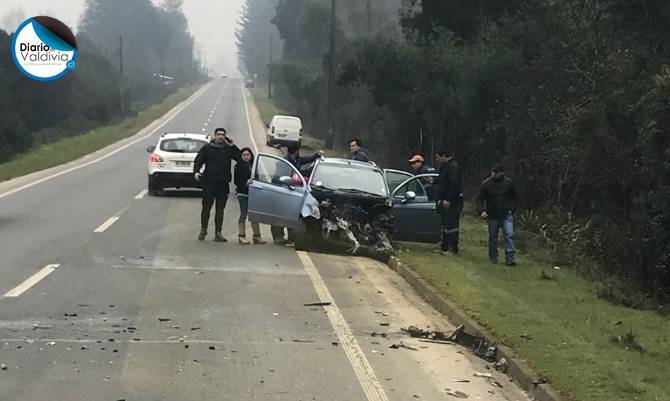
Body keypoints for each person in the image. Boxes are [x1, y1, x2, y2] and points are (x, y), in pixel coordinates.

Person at [272, 143, 324, 247]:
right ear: (296, 151)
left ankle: (291, 239)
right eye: (297, 151)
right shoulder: (283, 162)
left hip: (294, 190)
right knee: (281, 215)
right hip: (283, 190)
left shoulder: (297, 159)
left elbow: (307, 160)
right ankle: (278, 237)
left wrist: (316, 155)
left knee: (292, 215)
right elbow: (277, 178)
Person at [193, 128, 240, 242]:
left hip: (223, 184)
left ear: (225, 136)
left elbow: (240, 157)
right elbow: (198, 160)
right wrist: (196, 171)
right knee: (206, 208)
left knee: (220, 210)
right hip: (209, 183)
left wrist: (233, 145)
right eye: (218, 134)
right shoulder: (207, 148)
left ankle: (218, 233)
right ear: (214, 136)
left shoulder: (229, 149)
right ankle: (203, 229)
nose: (221, 136)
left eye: (223, 134)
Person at [477, 163, 518, 266]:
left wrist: (512, 209)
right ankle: (493, 257)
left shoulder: (509, 183)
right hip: (492, 215)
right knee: (493, 237)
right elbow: (480, 198)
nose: (494, 175)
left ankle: (510, 258)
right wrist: (482, 211)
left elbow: (515, 197)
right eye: (493, 172)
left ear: (502, 173)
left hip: (506, 214)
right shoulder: (486, 184)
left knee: (509, 235)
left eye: (496, 173)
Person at [234, 147, 266, 245]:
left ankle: (257, 236)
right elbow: (236, 181)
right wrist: (246, 183)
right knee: (244, 213)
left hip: (253, 193)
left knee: (254, 215)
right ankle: (241, 235)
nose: (246, 157)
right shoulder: (238, 166)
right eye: (244, 155)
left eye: (248, 155)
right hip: (242, 193)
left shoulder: (254, 166)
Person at [436, 149, 464, 255]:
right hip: (444, 200)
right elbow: (443, 181)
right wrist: (434, 181)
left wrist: (448, 199)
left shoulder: (453, 167)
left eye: (438, 157)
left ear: (444, 156)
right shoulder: (444, 166)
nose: (437, 159)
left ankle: (453, 248)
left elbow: (454, 185)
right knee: (446, 224)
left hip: (454, 201)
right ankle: (445, 247)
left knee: (452, 225)